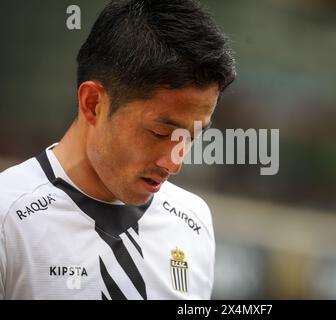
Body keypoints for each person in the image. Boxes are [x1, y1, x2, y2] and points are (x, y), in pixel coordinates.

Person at [0, 0, 235, 300]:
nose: (174, 164)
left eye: (191, 137)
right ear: (93, 104)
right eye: (159, 133)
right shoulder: (8, 218)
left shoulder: (193, 222)